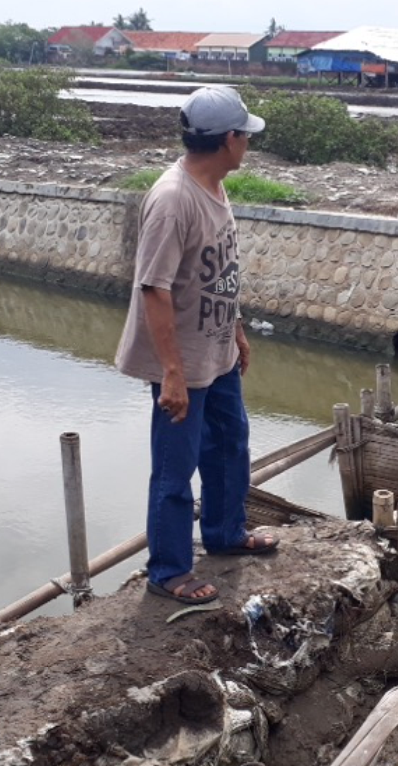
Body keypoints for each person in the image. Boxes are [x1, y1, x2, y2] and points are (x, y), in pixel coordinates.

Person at [114, 86, 276, 606]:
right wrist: (173, 373)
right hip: (182, 359)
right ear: (229, 139)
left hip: (216, 349)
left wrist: (237, 330)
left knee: (231, 446)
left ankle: (226, 534)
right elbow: (154, 289)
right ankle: (168, 570)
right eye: (244, 135)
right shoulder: (172, 199)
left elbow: (216, 274)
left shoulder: (215, 185)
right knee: (175, 467)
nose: (247, 143)